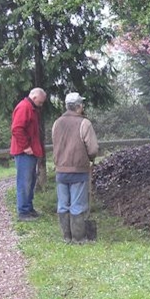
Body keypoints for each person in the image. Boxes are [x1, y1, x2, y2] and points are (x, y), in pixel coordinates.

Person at [52, 92, 99, 243]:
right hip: (78, 170)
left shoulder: (57, 123)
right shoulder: (84, 123)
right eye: (82, 104)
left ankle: (67, 236)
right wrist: (90, 159)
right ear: (79, 106)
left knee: (63, 205)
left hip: (60, 170)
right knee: (78, 205)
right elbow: (92, 149)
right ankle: (79, 238)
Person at [10, 87, 47, 221]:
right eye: (41, 102)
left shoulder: (31, 108)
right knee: (24, 182)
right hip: (24, 152)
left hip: (31, 151)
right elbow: (17, 128)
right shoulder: (24, 107)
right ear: (35, 97)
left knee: (30, 182)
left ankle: (29, 208)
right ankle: (23, 212)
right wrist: (26, 146)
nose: (41, 105)